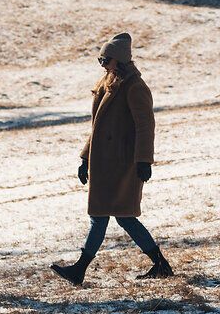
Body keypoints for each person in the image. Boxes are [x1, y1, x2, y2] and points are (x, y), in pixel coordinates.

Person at [53, 33, 172, 284]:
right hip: (105, 162)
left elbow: (145, 126)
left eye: (105, 59)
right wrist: (86, 158)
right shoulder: (108, 82)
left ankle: (80, 269)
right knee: (120, 216)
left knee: (108, 215)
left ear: (118, 60)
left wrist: (143, 161)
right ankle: (160, 265)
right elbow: (98, 127)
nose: (102, 64)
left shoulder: (135, 87)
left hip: (123, 163)